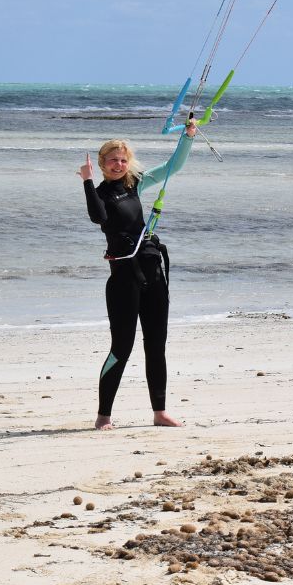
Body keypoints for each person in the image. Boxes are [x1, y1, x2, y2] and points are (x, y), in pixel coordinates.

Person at [78, 120, 198, 430]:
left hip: (152, 272)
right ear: (103, 164)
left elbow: (174, 166)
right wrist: (87, 182)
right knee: (122, 347)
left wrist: (187, 137)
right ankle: (103, 415)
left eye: (122, 160)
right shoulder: (101, 193)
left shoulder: (136, 184)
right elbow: (97, 217)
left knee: (156, 344)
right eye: (112, 160)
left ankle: (160, 412)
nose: (118, 165)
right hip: (122, 279)